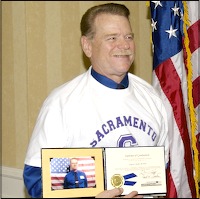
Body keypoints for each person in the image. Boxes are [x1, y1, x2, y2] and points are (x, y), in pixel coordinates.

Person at [23, 2, 169, 198]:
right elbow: (36, 179)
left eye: (128, 37)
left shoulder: (151, 97)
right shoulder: (62, 103)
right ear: (87, 46)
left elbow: (163, 167)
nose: (124, 45)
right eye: (112, 38)